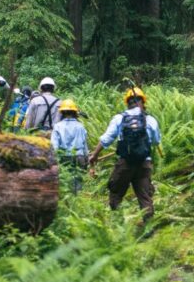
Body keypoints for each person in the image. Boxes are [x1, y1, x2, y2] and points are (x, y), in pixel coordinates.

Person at [88, 87, 161, 223]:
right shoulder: (151, 120)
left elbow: (106, 139)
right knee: (145, 196)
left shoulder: (120, 118)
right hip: (144, 163)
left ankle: (119, 224)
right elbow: (156, 141)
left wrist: (95, 155)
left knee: (116, 192)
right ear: (143, 102)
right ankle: (149, 228)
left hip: (125, 163)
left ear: (127, 102)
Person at [50, 99, 88, 194]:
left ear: (62, 112)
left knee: (65, 181)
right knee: (77, 181)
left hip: (64, 157)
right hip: (79, 156)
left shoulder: (58, 126)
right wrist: (87, 158)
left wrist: (52, 159)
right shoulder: (80, 126)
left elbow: (54, 145)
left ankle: (68, 201)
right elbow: (85, 145)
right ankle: (77, 199)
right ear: (75, 112)